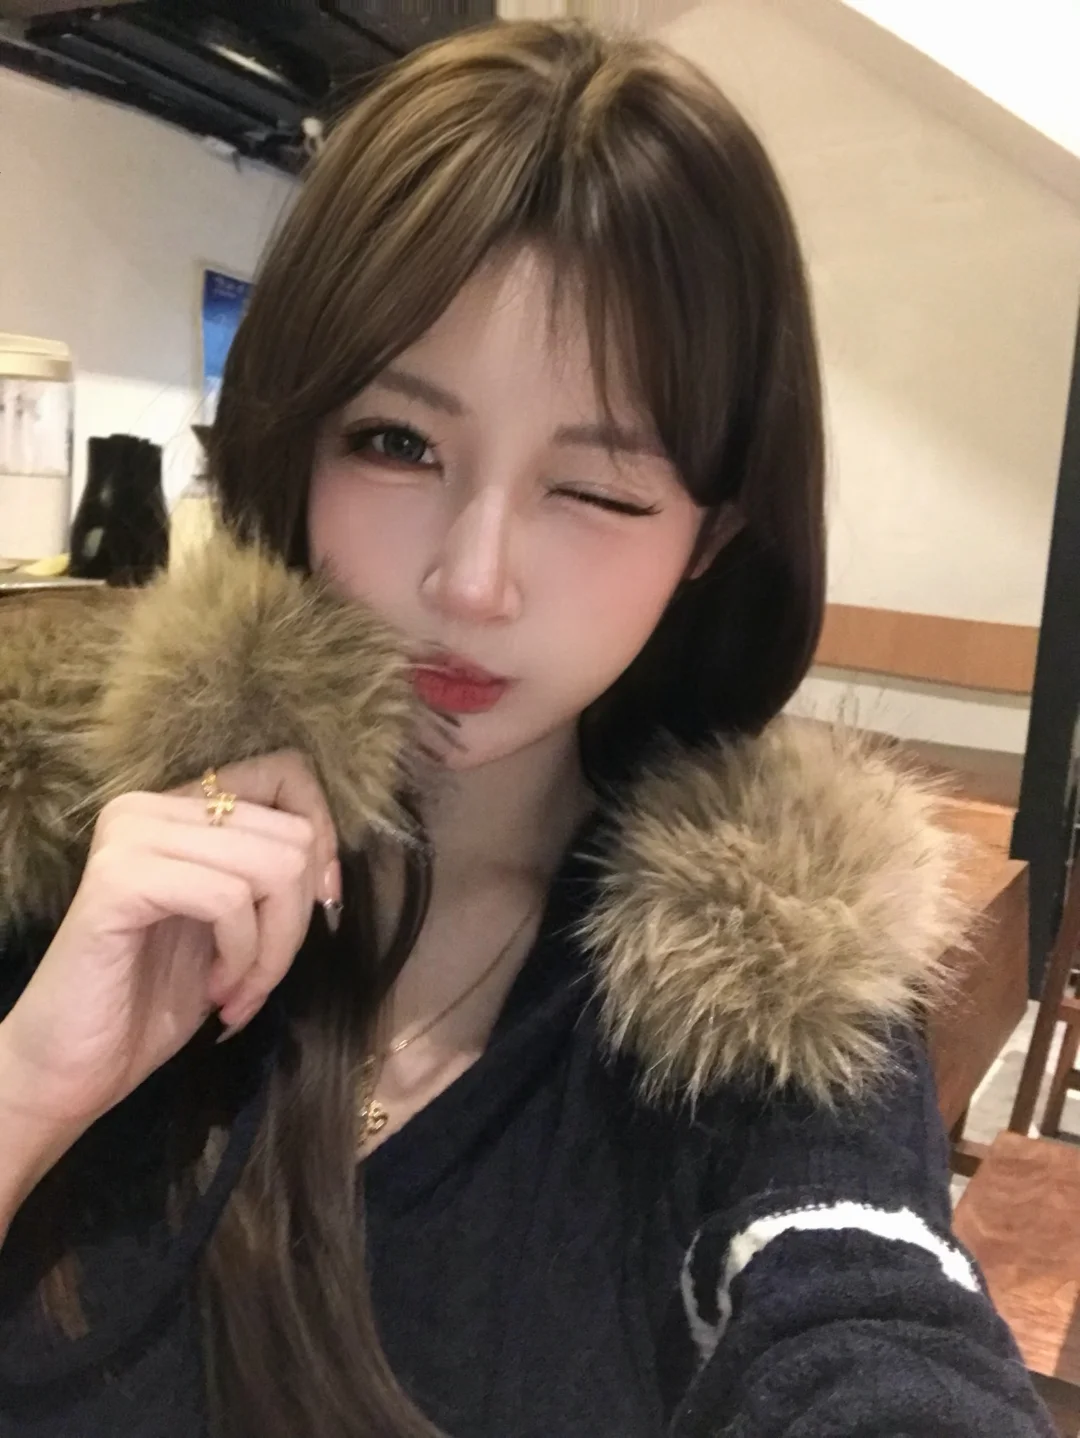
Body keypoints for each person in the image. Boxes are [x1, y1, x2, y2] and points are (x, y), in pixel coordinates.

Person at [0, 19, 1054, 1438]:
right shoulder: (64, 843)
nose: (472, 582)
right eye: (398, 443)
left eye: (598, 490)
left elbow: (871, 1319)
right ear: (294, 439)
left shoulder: (768, 1015)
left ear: (709, 537)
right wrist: (27, 1086)